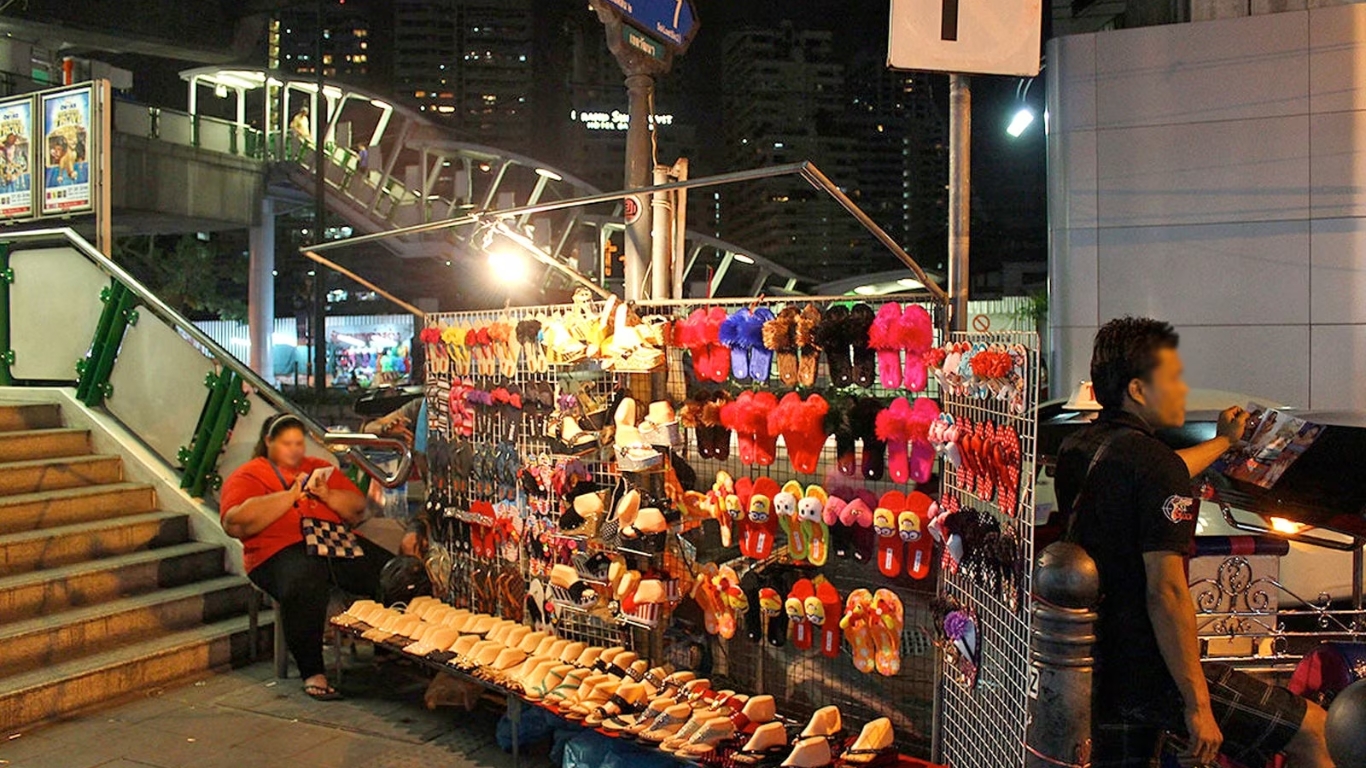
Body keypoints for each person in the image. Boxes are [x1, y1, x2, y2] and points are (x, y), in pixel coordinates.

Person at [1054, 317, 1333, 768]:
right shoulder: (1153, 465)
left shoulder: (1081, 446)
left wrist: (1224, 442)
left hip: (1096, 663)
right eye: (1174, 378)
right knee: (1313, 730)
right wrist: (1197, 705)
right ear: (1139, 390)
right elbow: (1165, 592)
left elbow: (1154, 471)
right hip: (1150, 672)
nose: (1183, 389)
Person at [220, 413, 390, 701]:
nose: (295, 450)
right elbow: (235, 522)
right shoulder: (250, 474)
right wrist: (289, 496)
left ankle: (394, 651)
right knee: (305, 580)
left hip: (333, 541)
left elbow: (356, 508)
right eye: (287, 443)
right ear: (269, 443)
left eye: (298, 443)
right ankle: (313, 671)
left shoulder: (320, 468)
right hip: (276, 553)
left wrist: (326, 495)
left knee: (392, 572)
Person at [361, 395, 429, 557]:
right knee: (409, 545)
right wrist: (386, 429)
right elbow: (368, 429)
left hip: (450, 500)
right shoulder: (420, 407)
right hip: (427, 504)